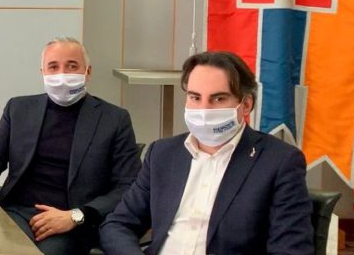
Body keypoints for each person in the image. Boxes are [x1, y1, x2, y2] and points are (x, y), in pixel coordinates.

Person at [100, 51, 313, 254]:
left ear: (246, 104)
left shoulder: (279, 162)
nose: (204, 109)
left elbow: (290, 250)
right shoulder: (162, 154)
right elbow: (118, 225)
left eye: (218, 99)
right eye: (195, 97)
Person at [0, 37, 140, 254]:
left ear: (88, 72)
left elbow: (128, 185)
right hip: (16, 211)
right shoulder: (19, 108)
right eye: (53, 67)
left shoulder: (114, 119)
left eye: (72, 66)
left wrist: (76, 216)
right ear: (43, 72)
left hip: (71, 220)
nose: (62, 74)